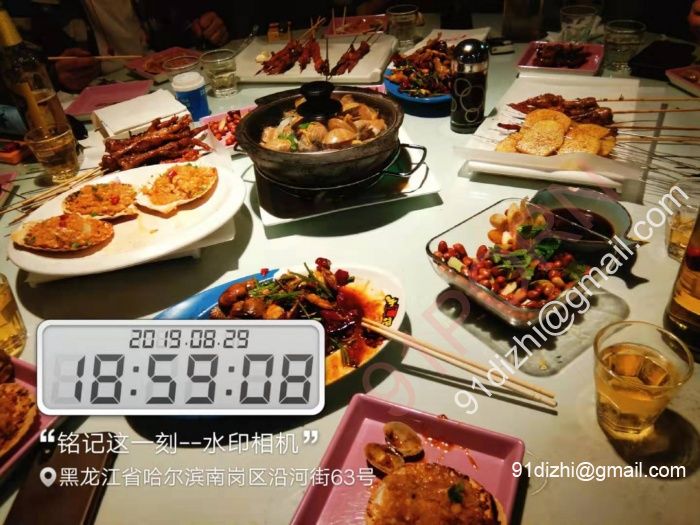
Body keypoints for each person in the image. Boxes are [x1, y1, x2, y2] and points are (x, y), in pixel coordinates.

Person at [7, 0, 230, 92]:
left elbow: (189, 26)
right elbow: (18, 78)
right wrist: (54, 77)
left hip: (173, 85)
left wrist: (210, 28)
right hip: (93, 105)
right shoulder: (31, 6)